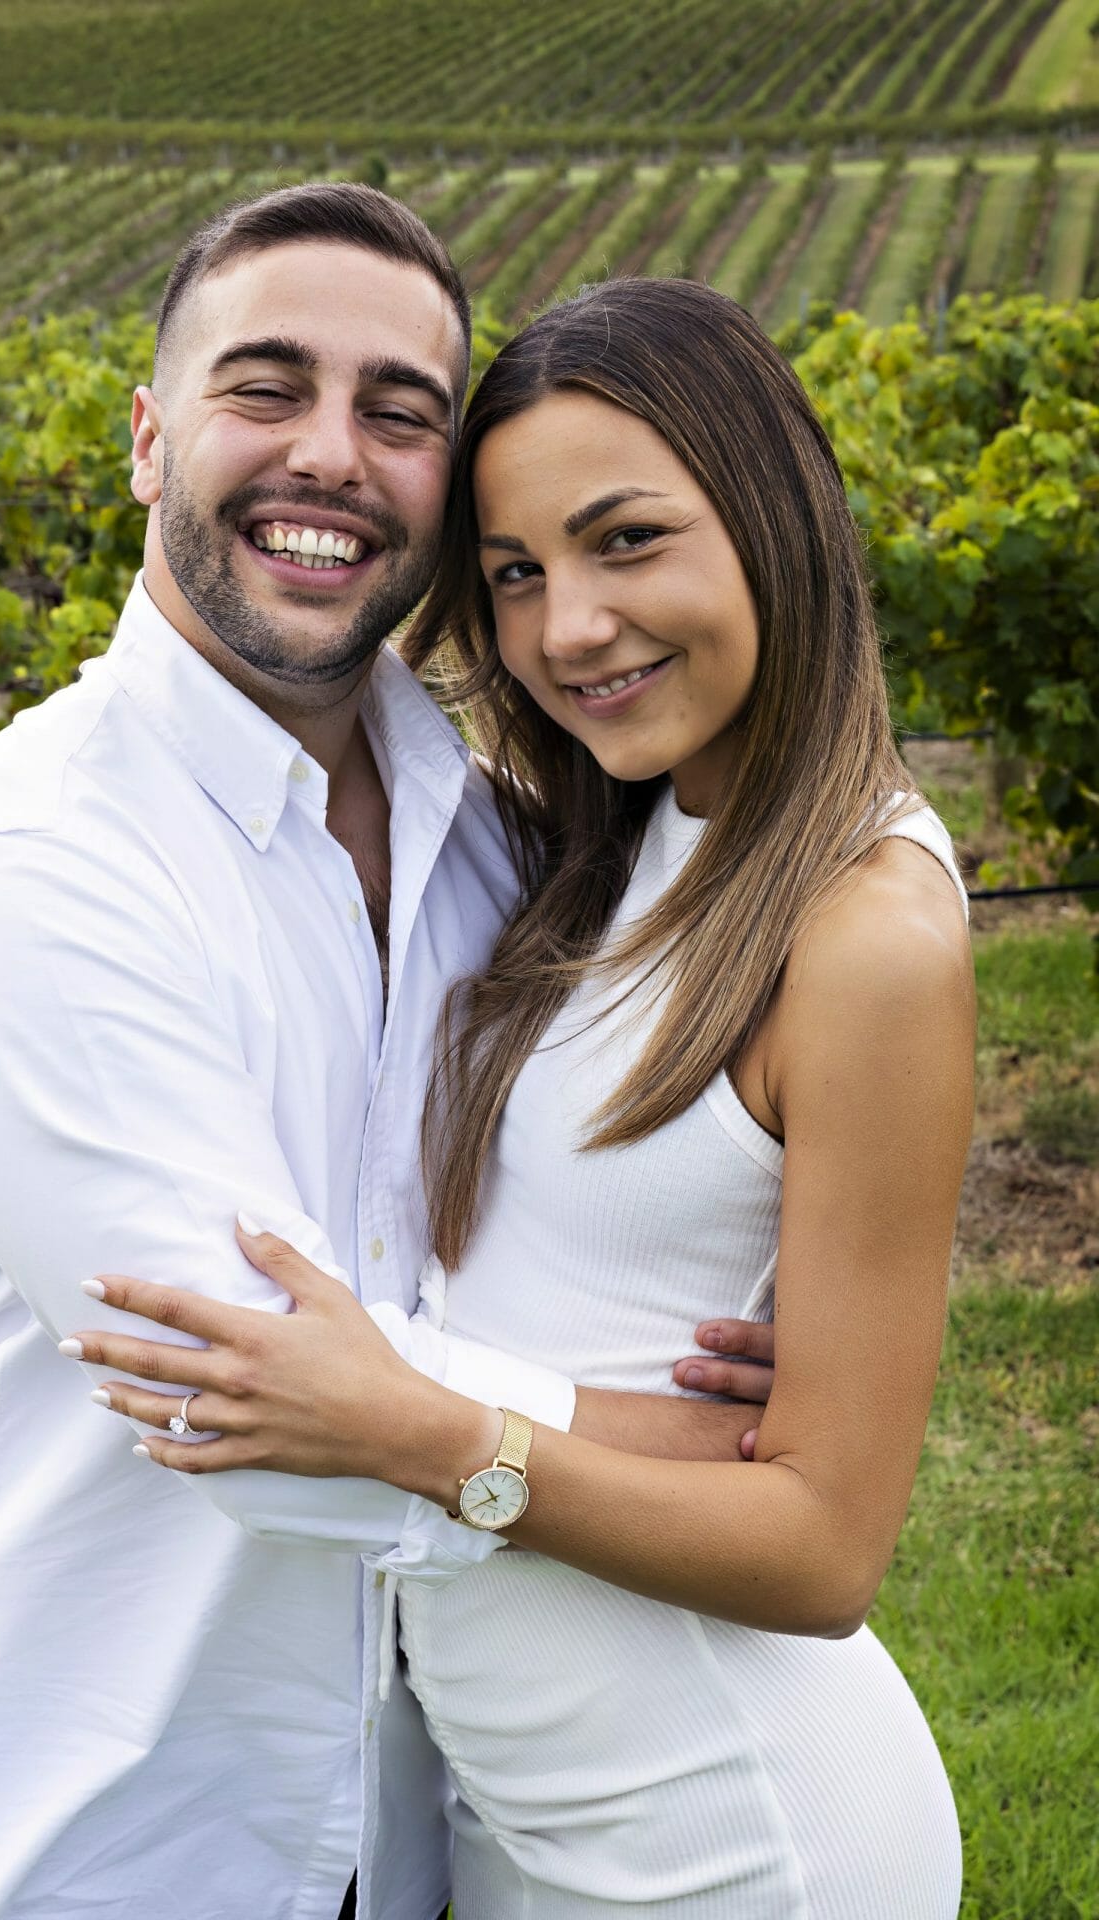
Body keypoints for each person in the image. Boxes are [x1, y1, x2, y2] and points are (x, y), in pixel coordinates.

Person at [0, 192, 772, 1920]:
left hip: (400, 1842)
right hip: (58, 1850)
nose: (332, 454)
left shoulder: (500, 841)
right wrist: (721, 1447)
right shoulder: (36, 873)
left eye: (400, 413)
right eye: (267, 389)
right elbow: (250, 1407)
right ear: (148, 439)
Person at [73, 277, 974, 1917]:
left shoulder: (866, 933)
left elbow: (826, 1550)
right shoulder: (615, 837)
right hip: (519, 1807)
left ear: (776, 517)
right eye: (514, 573)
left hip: (723, 1826)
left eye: (628, 541)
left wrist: (426, 1432)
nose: (569, 629)